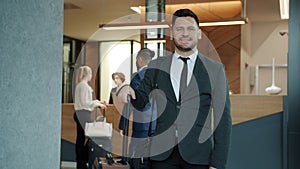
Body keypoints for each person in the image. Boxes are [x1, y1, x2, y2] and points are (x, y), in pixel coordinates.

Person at [129, 9, 232, 169]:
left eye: (190, 28)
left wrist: (218, 163)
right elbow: (140, 100)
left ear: (199, 33)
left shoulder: (214, 70)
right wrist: (129, 93)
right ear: (172, 33)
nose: (185, 33)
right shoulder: (157, 66)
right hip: (161, 154)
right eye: (179, 29)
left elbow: (223, 118)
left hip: (198, 155)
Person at [118, 48, 157, 169]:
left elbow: (131, 103)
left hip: (141, 123)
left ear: (140, 59)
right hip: (155, 123)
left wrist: (122, 125)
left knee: (135, 158)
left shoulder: (137, 77)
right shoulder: (156, 75)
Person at [73, 66, 106, 169]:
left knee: (81, 139)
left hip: (80, 113)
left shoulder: (80, 85)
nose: (91, 76)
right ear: (88, 74)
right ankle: (83, 161)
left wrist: (97, 102)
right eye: (91, 74)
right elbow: (85, 103)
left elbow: (84, 102)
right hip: (83, 114)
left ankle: (81, 163)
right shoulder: (84, 86)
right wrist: (98, 104)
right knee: (90, 137)